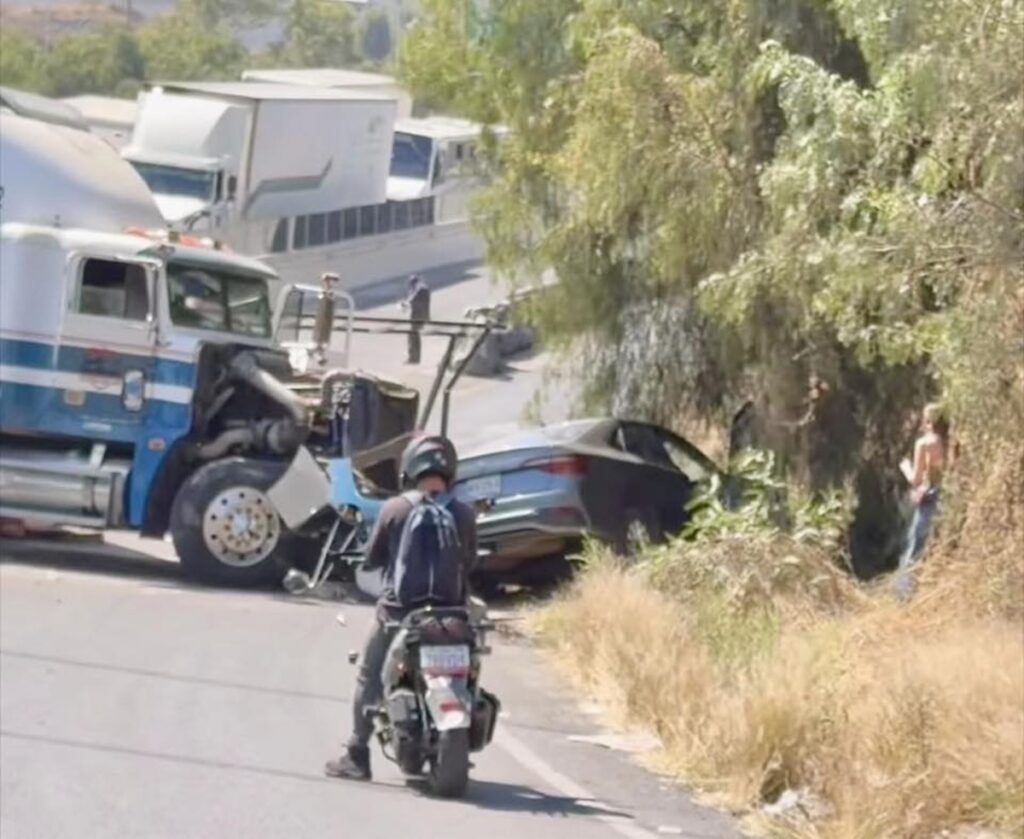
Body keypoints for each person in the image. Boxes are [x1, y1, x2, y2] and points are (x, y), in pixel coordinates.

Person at [325, 434, 477, 781]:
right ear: (450, 470)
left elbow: (373, 559)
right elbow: (469, 563)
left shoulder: (395, 509)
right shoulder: (464, 514)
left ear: (409, 468)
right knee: (471, 667)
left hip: (399, 616)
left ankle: (357, 753)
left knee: (368, 674)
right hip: (451, 618)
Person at [896, 402, 950, 587]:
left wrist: (906, 468)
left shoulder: (924, 443)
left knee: (913, 545)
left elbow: (916, 480)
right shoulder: (949, 442)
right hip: (945, 496)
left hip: (928, 497)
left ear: (928, 421)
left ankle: (905, 592)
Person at [400, 274, 431, 364]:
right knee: (414, 336)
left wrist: (404, 304)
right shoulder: (422, 288)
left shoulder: (419, 289)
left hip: (418, 317)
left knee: (413, 336)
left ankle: (413, 358)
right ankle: (415, 357)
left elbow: (413, 300)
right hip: (422, 316)